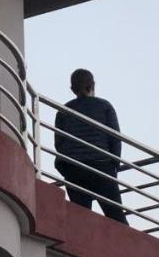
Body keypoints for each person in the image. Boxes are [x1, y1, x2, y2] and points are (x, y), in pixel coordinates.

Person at [53, 69, 128, 224]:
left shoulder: (63, 111)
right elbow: (115, 139)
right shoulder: (105, 106)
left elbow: (59, 144)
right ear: (93, 85)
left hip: (74, 169)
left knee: (81, 220)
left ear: (72, 89)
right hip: (101, 167)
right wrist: (114, 167)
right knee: (117, 219)